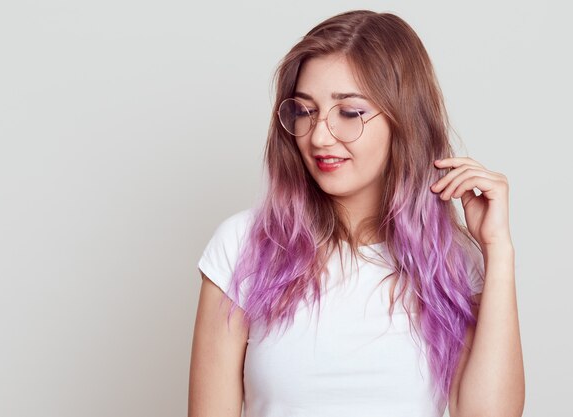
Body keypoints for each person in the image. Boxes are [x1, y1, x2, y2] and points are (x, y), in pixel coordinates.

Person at [188, 9, 524, 417]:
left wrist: (498, 252)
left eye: (350, 112)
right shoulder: (241, 247)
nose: (319, 136)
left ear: (404, 122)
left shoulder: (452, 261)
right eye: (305, 111)